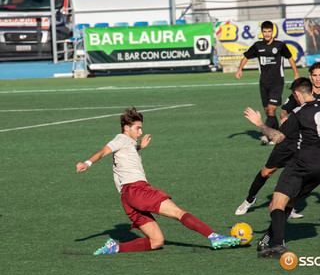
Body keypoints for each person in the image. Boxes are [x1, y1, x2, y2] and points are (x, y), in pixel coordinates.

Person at [76, 107, 240, 254]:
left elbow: (124, 156)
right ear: (126, 128)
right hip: (137, 190)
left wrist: (139, 147)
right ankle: (214, 236)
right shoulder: (121, 139)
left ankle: (115, 248)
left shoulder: (128, 144)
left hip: (127, 198)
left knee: (156, 241)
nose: (140, 132)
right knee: (177, 212)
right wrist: (87, 163)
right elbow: (104, 151)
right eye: (137, 128)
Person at [244, 77, 320, 258]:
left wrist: (259, 124)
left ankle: (278, 244)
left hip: (302, 164)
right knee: (290, 202)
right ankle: (266, 239)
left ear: (296, 94)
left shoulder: (301, 111)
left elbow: (277, 137)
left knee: (276, 203)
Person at [234, 62, 320, 218]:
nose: (318, 79)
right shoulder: (302, 91)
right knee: (267, 172)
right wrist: (285, 117)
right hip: (290, 140)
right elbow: (284, 110)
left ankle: (288, 207)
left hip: (309, 146)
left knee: (303, 175)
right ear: (310, 76)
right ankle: (249, 200)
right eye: (315, 75)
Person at [236, 20, 300, 145]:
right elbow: (246, 56)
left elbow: (290, 57)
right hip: (264, 83)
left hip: (277, 82)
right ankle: (276, 133)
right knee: (267, 111)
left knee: (271, 110)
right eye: (264, 32)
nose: (267, 34)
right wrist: (239, 69)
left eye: (269, 31)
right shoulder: (258, 46)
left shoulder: (280, 45)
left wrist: (296, 73)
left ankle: (266, 135)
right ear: (262, 32)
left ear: (272, 32)